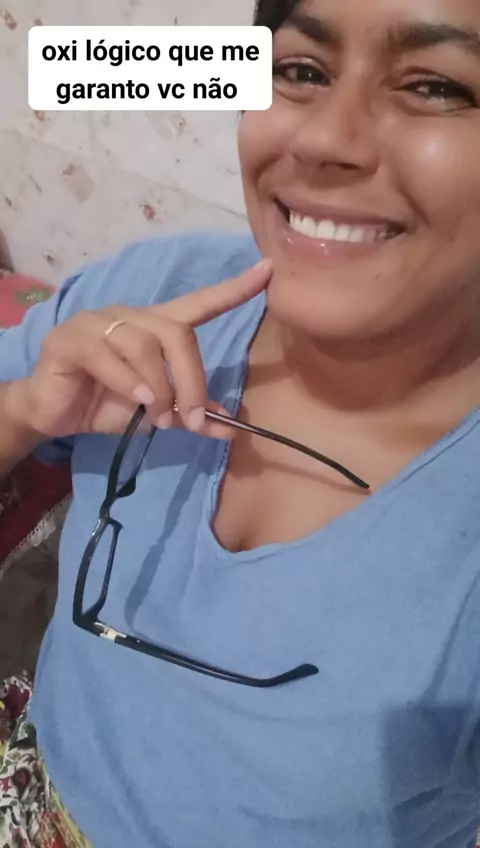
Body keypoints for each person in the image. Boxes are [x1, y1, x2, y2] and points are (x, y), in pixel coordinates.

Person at [2, 0, 480, 844]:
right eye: (301, 71)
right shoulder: (155, 288)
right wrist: (27, 410)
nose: (325, 138)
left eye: (435, 86)